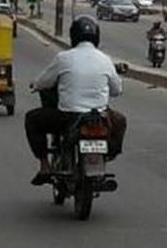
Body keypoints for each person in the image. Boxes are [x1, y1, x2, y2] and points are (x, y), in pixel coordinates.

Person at [25, 15, 127, 185]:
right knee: (121, 121)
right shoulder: (105, 59)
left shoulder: (64, 58)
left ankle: (44, 166)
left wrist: (35, 84)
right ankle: (106, 155)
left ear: (73, 36)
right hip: (100, 116)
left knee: (32, 119)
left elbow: (44, 82)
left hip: (68, 117)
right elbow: (117, 90)